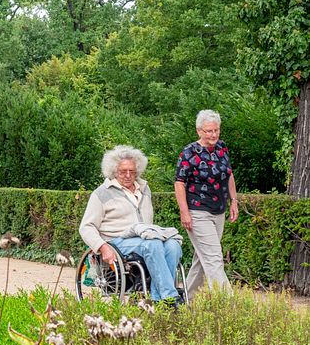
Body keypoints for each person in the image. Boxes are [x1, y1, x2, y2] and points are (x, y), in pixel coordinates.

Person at [79, 145, 183, 302]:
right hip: (116, 241)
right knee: (152, 244)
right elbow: (86, 227)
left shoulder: (144, 189)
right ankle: (169, 297)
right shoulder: (101, 193)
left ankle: (156, 298)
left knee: (173, 245)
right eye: (123, 171)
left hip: (144, 238)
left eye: (132, 171)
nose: (128, 175)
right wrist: (102, 246)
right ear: (114, 171)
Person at [175, 109, 238, 296]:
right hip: (197, 211)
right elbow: (179, 183)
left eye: (216, 130)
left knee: (202, 258)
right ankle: (228, 303)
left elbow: (229, 175)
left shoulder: (222, 148)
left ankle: (187, 299)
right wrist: (184, 211)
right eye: (209, 131)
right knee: (213, 258)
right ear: (199, 131)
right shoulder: (188, 152)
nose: (213, 135)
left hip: (218, 210)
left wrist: (234, 201)